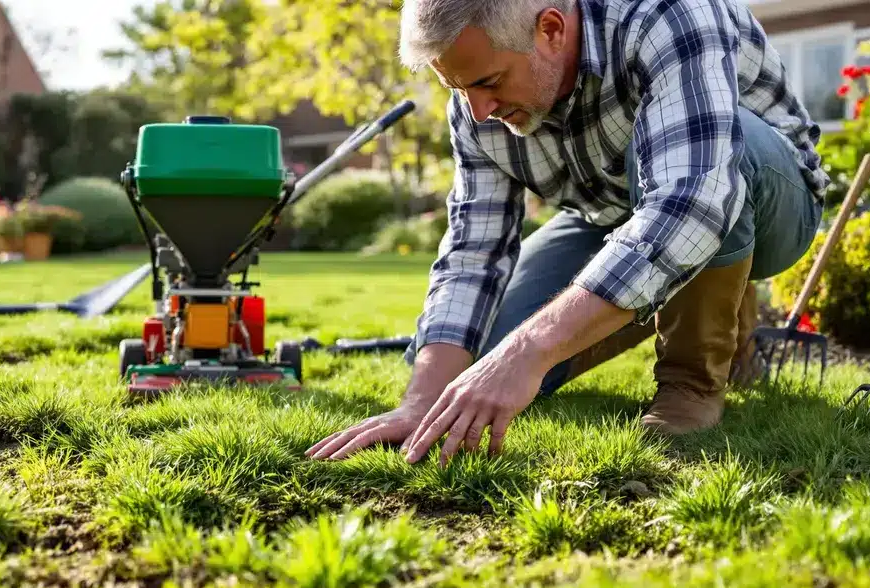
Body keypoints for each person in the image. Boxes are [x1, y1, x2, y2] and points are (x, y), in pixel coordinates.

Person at [306, 0, 830, 467]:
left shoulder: (667, 14)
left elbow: (691, 200)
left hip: (764, 197)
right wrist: (424, 397)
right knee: (484, 360)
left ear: (551, 29)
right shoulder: (476, 105)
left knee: (710, 165)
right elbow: (473, 251)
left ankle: (692, 382)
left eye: (488, 83)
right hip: (610, 216)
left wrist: (529, 351)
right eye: (458, 89)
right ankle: (694, 297)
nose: (478, 110)